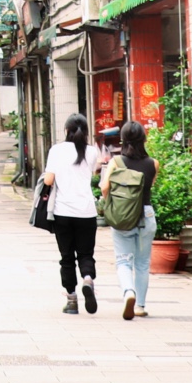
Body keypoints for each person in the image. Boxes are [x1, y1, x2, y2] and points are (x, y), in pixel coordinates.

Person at [41, 113, 102, 314]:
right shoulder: (92, 151)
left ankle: (72, 300)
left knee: (67, 257)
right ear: (85, 131)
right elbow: (94, 172)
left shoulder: (56, 150)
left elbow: (49, 181)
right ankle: (87, 279)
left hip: (63, 212)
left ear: (66, 130)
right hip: (87, 212)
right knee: (86, 253)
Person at [101, 120, 159, 320]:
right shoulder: (153, 163)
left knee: (124, 261)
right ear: (144, 138)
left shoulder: (116, 162)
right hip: (147, 214)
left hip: (124, 216)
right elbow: (149, 185)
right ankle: (140, 306)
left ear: (123, 140)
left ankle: (128, 292)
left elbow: (104, 187)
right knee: (142, 263)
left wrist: (114, 206)